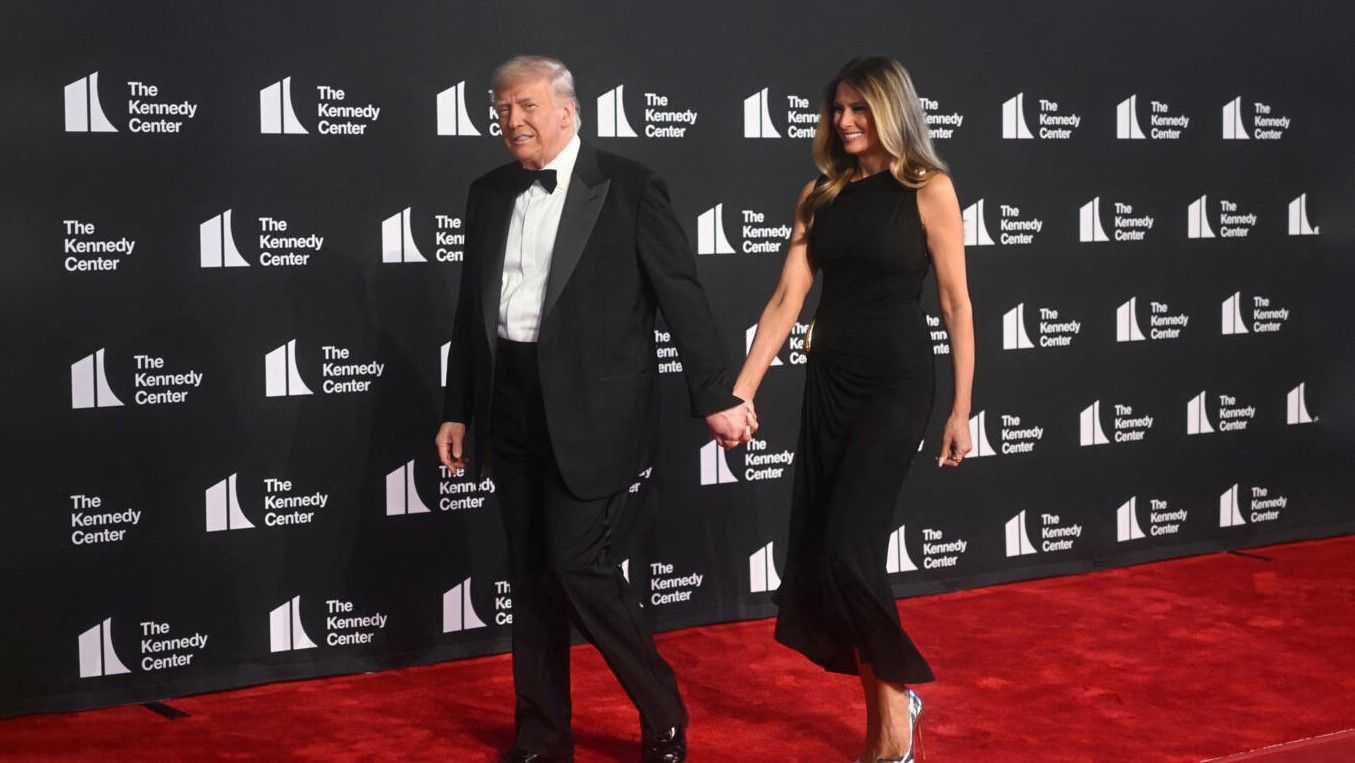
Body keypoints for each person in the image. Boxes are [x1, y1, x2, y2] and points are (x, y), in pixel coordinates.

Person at [434, 56, 754, 763]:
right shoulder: (488, 192)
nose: (512, 120)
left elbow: (681, 295)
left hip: (595, 411)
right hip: (507, 400)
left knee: (577, 566)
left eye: (525, 106)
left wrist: (716, 394)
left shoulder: (630, 187)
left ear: (567, 111)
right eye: (501, 108)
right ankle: (542, 737)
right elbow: (470, 311)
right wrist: (458, 409)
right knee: (529, 578)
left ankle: (662, 710)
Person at [734, 56, 974, 763]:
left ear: (891, 110)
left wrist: (961, 407)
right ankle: (889, 716)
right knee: (834, 554)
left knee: (849, 545)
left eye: (859, 108)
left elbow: (956, 304)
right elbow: (787, 299)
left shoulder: (928, 189)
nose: (843, 121)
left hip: (896, 385)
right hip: (829, 384)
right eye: (837, 108)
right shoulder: (819, 195)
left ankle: (896, 711)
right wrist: (742, 389)